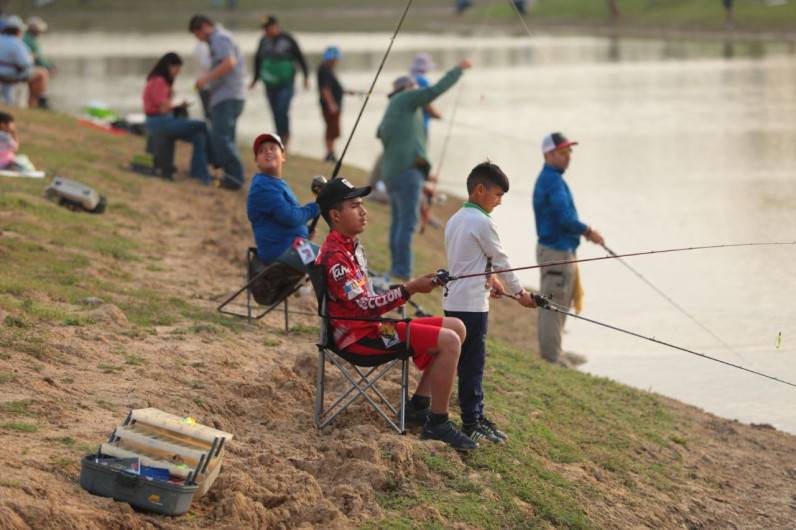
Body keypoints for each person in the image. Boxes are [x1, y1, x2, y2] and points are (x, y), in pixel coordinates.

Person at [314, 177, 478, 451]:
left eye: (363, 204)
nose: (364, 211)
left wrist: (413, 286)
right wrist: (410, 289)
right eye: (355, 206)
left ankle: (418, 406)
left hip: (373, 329)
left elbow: (365, 300)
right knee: (448, 341)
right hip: (359, 340)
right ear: (335, 215)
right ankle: (438, 423)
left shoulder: (352, 246)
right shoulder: (335, 257)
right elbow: (363, 307)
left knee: (457, 327)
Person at [443, 161, 537, 443]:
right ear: (480, 190)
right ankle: (472, 421)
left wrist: (492, 281)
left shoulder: (456, 218)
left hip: (454, 301)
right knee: (473, 365)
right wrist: (520, 294)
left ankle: (476, 415)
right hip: (472, 306)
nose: (499, 202)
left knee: (467, 363)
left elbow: (469, 260)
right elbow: (501, 260)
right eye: (497, 195)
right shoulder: (483, 221)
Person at [377, 57, 473, 281]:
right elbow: (434, 91)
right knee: (408, 222)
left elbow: (387, 136)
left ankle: (397, 269)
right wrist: (458, 69)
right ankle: (402, 272)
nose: (417, 90)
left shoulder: (395, 108)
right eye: (415, 87)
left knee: (399, 220)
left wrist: (424, 171)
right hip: (405, 174)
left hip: (394, 173)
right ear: (408, 88)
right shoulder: (405, 99)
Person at [532, 132, 605, 368]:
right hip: (556, 251)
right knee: (554, 303)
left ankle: (556, 351)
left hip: (560, 249)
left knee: (560, 302)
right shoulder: (551, 180)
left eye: (569, 151)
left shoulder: (554, 179)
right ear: (548, 154)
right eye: (563, 152)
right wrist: (588, 231)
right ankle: (551, 357)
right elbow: (564, 218)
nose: (568, 156)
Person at [189, 14, 246, 191]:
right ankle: (231, 176)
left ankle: (236, 177)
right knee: (227, 137)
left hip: (226, 96)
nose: (199, 39)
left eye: (198, 34)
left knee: (220, 138)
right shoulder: (221, 38)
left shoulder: (219, 38)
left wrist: (205, 80)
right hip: (231, 95)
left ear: (205, 26)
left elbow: (229, 63)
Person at [246, 132, 320, 269]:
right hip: (280, 253)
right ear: (256, 161)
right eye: (261, 150)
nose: (268, 152)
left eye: (273, 148)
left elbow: (286, 218)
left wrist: (304, 230)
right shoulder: (262, 186)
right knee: (334, 260)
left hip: (293, 247)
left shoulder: (276, 182)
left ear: (283, 156)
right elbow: (289, 217)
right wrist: (317, 207)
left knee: (337, 259)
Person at [142, 52, 215, 185]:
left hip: (164, 119)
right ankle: (215, 159)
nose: (177, 73)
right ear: (169, 66)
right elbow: (162, 108)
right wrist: (172, 96)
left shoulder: (161, 81)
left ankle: (199, 175)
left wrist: (178, 106)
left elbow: (164, 107)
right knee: (203, 124)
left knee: (199, 137)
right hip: (159, 122)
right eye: (177, 69)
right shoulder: (159, 81)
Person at [250, 15, 308, 152]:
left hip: (286, 82)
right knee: (275, 110)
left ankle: (286, 137)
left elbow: (300, 57)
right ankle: (278, 136)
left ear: (276, 26)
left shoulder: (288, 39)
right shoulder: (263, 41)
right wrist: (254, 79)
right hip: (269, 83)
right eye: (264, 29)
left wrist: (306, 76)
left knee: (282, 109)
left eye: (268, 28)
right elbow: (257, 60)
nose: (266, 31)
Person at [0, 15, 47, 108]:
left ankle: (33, 103)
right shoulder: (17, 44)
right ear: (18, 30)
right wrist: (31, 57)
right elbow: (25, 63)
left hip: (1, 73)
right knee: (42, 73)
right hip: (13, 74)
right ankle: (40, 101)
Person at [22, 16, 53, 109]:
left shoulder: (24, 38)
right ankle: (42, 101)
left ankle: (33, 106)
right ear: (34, 30)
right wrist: (50, 67)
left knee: (36, 84)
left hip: (24, 69)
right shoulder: (31, 41)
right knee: (42, 74)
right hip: (24, 71)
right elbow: (39, 58)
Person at [409, 53, 441, 136]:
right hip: (421, 124)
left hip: (410, 124)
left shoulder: (410, 79)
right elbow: (425, 100)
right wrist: (435, 113)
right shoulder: (423, 81)